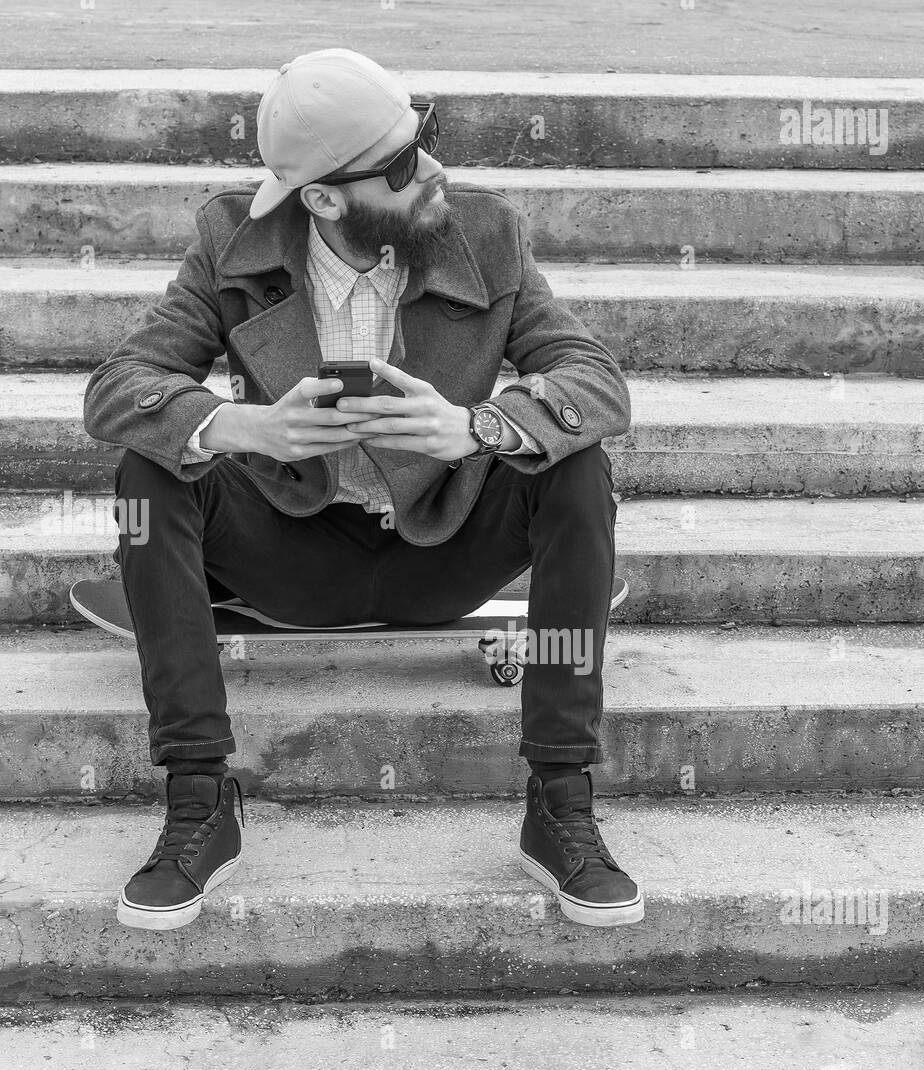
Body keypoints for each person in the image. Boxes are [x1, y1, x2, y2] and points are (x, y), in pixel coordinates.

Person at [82, 47, 644, 933]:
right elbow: (118, 388)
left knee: (575, 459)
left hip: (444, 549)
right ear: (322, 198)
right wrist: (243, 427)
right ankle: (199, 798)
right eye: (398, 165)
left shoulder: (484, 232)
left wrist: (479, 427)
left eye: (423, 140)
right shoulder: (234, 240)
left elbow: (594, 378)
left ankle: (560, 801)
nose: (431, 173)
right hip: (291, 553)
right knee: (149, 471)